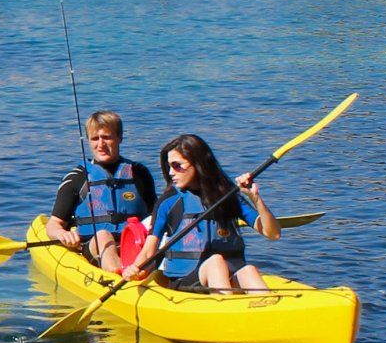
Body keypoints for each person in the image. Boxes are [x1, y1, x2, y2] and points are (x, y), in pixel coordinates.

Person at [125, 133, 281, 293]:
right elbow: (149, 250)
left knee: (249, 270)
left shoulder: (228, 196)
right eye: (169, 166)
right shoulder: (169, 201)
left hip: (227, 274)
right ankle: (227, 308)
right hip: (186, 281)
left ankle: (266, 306)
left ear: (198, 164)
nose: (171, 172)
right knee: (216, 262)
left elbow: (273, 233)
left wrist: (255, 198)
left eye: (177, 165)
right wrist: (134, 269)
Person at [46, 111, 158, 269]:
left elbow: (155, 217)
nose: (101, 144)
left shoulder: (140, 173)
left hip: (134, 242)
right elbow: (53, 224)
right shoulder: (77, 178)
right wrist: (62, 234)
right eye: (94, 139)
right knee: (103, 236)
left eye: (107, 137)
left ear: (119, 138)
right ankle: (117, 275)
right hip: (95, 245)